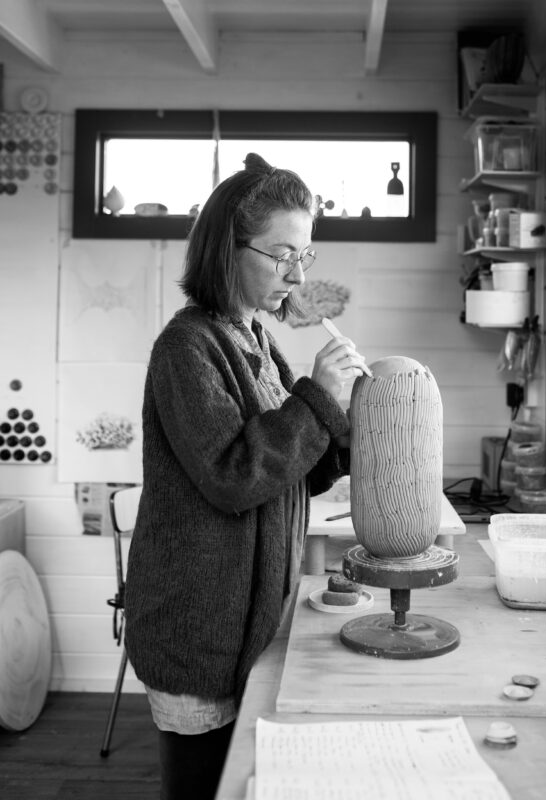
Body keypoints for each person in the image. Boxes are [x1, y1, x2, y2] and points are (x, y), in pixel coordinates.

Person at [124, 153, 368, 799]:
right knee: (203, 788)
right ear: (228, 249)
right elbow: (234, 477)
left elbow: (293, 473)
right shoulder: (188, 347)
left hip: (251, 620)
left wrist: (345, 415)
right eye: (281, 253)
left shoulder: (258, 339)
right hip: (197, 626)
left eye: (305, 255)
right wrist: (317, 398)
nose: (296, 272)